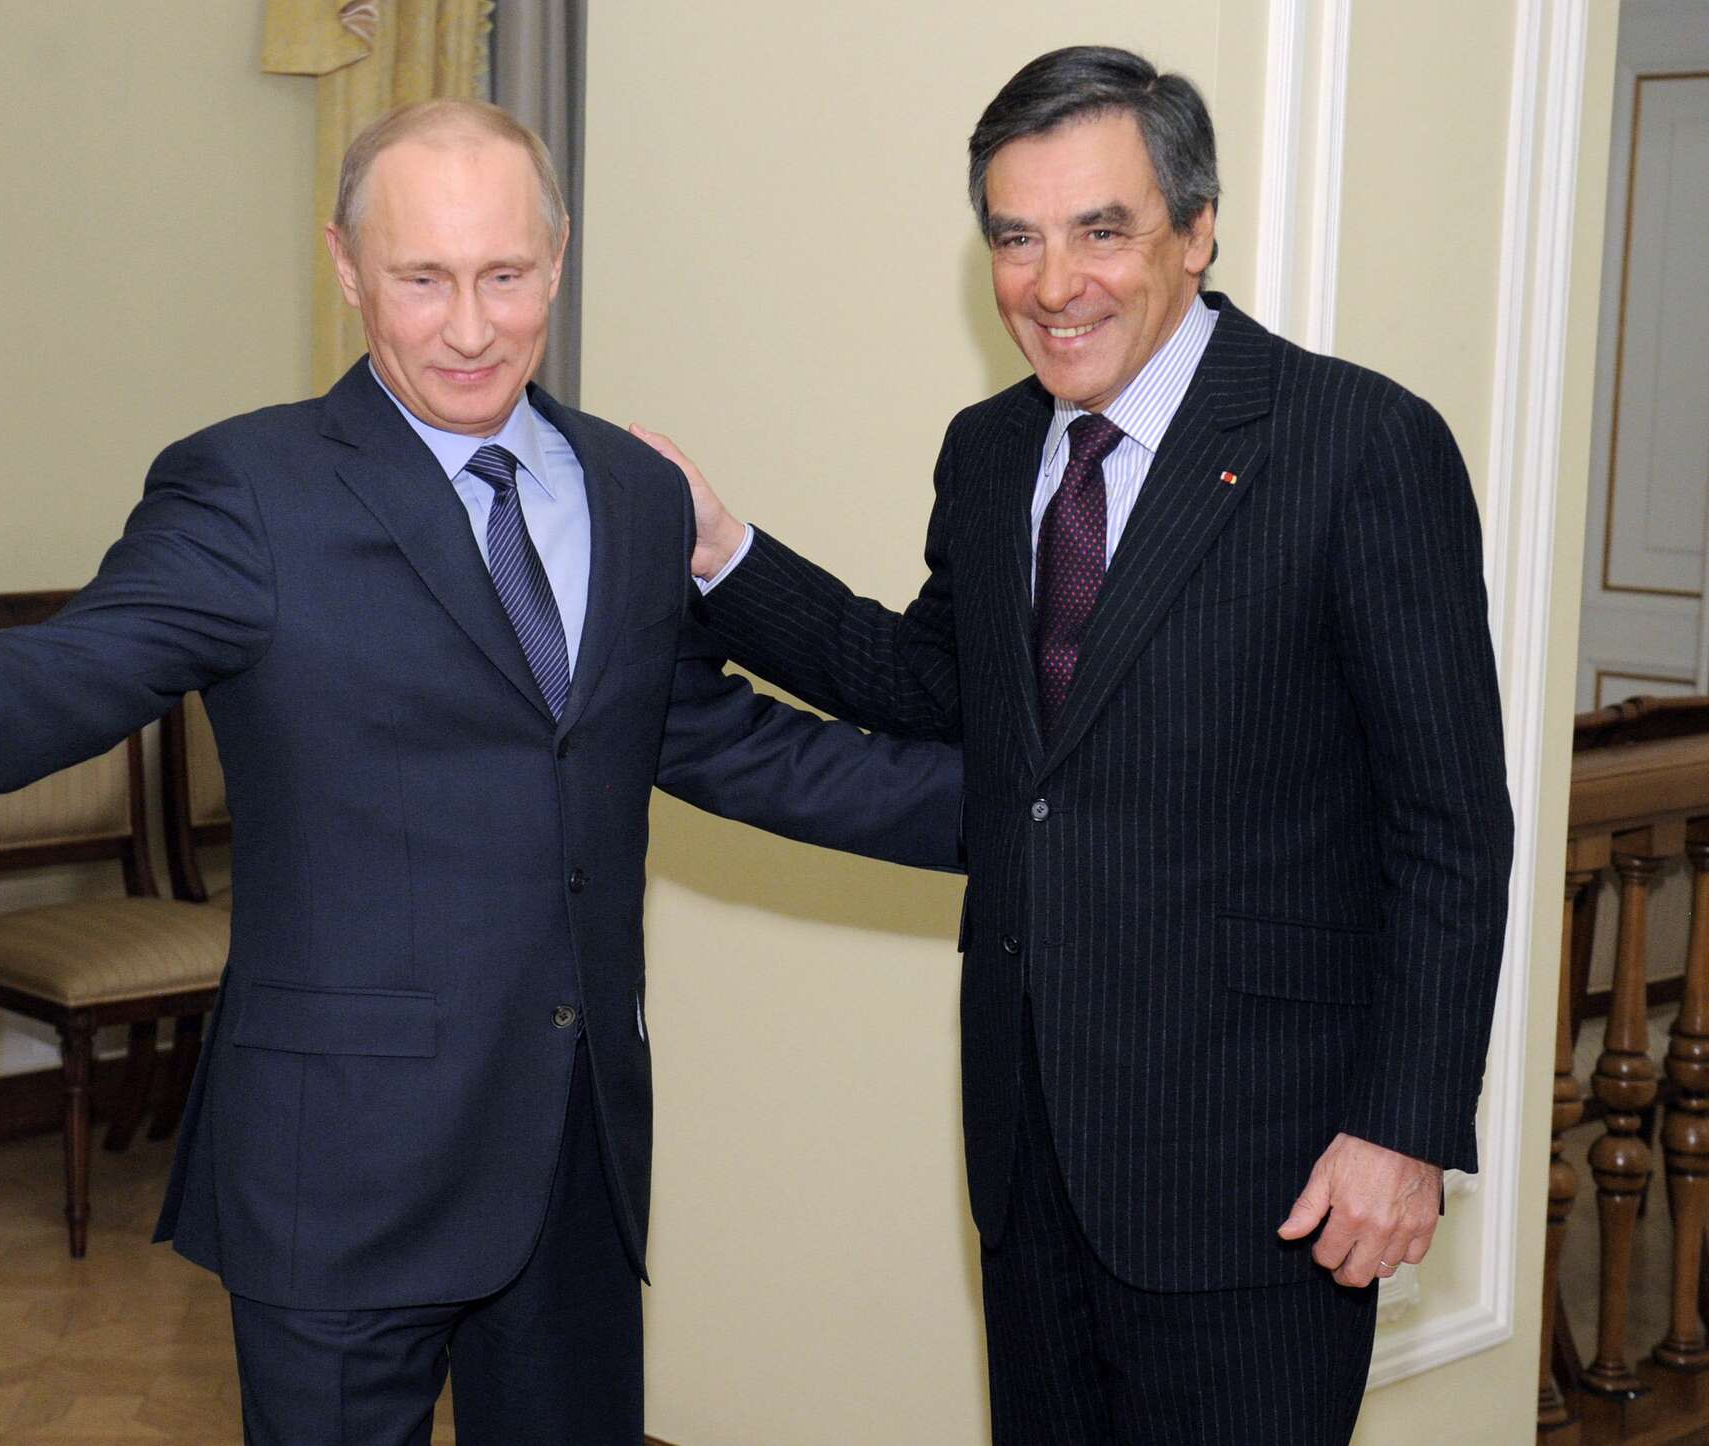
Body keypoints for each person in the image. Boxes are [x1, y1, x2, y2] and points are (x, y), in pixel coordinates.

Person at [0, 99, 961, 1445]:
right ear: (345, 266)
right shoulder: (250, 489)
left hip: (573, 1156)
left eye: (505, 276)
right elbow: (89, 667)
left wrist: (1041, 816)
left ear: (559, 258)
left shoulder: (633, 491)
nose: (471, 328)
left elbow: (722, 738)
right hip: (340, 1166)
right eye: (423, 279)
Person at [643, 45, 1514, 1444]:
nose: (1055, 286)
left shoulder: (1358, 445)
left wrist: (1403, 1128)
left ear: (1197, 228)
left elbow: (1451, 827)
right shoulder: (991, 451)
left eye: (1102, 231)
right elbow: (930, 682)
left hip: (1266, 1174)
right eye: (1017, 239)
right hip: (1031, 1149)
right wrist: (721, 550)